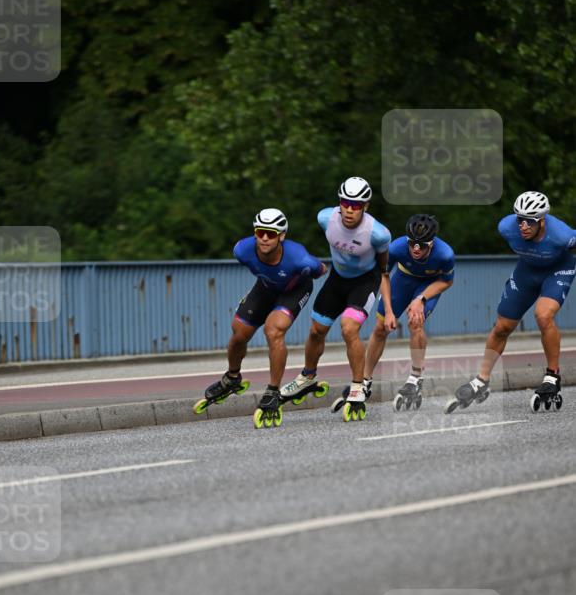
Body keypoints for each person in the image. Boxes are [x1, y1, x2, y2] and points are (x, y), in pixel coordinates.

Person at [446, 191, 576, 414]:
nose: (523, 226)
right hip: (527, 272)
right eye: (520, 219)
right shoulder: (506, 227)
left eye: (530, 221)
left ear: (542, 220)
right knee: (502, 327)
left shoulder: (563, 236)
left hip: (557, 270)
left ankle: (552, 376)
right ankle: (482, 380)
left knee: (543, 315)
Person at [194, 208, 327, 426]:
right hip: (265, 287)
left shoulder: (299, 258)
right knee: (238, 333)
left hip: (294, 291)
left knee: (273, 331)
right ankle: (232, 378)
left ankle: (273, 391)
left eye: (271, 234)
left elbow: (321, 269)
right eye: (260, 232)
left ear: (282, 236)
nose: (264, 238)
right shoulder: (242, 250)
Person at [280, 177, 393, 421]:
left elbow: (384, 269)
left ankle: (357, 385)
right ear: (339, 202)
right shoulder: (324, 218)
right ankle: (307, 377)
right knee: (315, 331)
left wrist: (388, 305)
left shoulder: (378, 234)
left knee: (349, 329)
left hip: (364, 281)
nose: (350, 209)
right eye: (345, 202)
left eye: (356, 205)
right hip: (337, 279)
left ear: (366, 206)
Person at [360, 214, 455, 410]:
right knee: (380, 327)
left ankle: (415, 377)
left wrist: (421, 299)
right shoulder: (396, 247)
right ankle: (364, 380)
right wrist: (388, 311)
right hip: (402, 280)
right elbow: (384, 276)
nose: (416, 249)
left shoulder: (445, 254)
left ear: (432, 243)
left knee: (415, 321)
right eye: (412, 243)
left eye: (422, 245)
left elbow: (447, 281)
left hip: (429, 284)